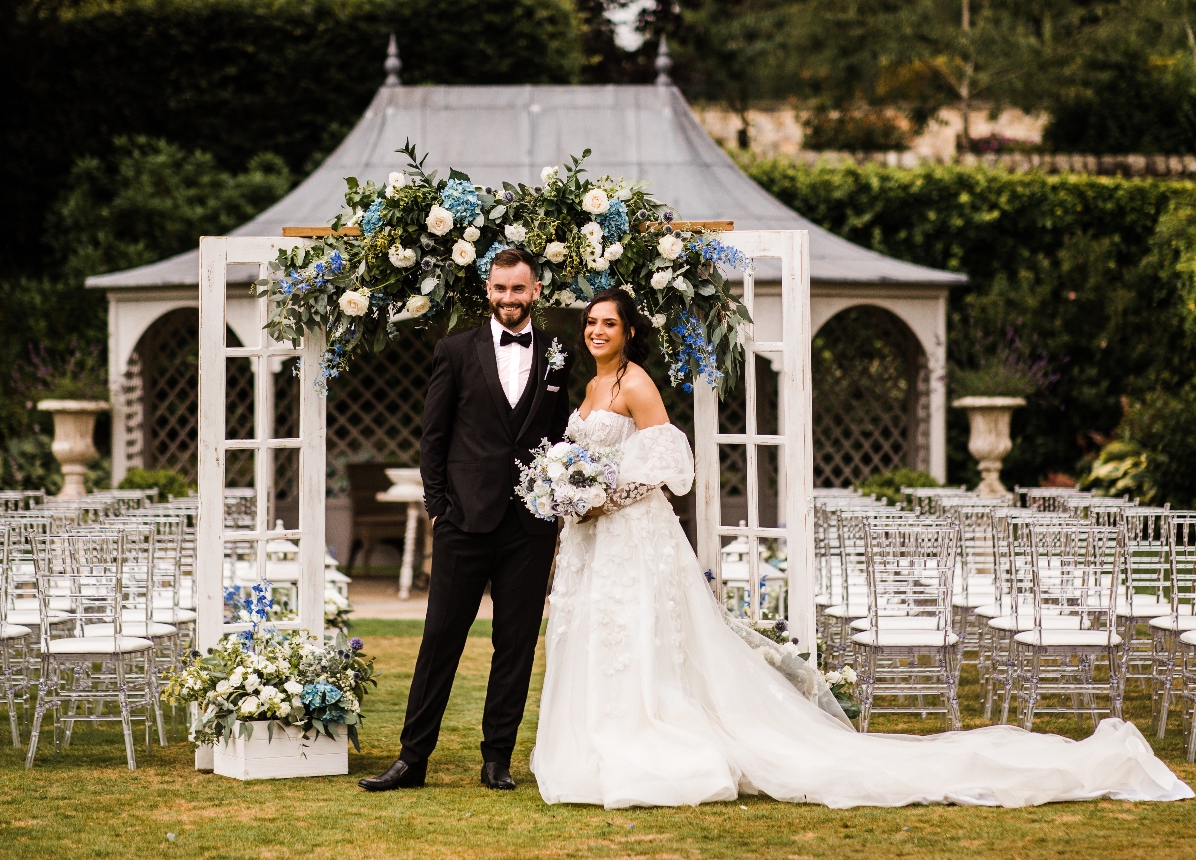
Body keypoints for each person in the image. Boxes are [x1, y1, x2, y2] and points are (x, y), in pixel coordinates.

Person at [529, 287, 1194, 809]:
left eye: (608, 324)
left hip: (633, 535)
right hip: (596, 543)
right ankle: (596, 740)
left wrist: (603, 492)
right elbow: (591, 460)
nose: (596, 331)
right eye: (591, 323)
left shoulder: (636, 384)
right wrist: (571, 490)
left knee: (640, 638)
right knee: (604, 639)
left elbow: (673, 460)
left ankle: (648, 740)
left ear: (630, 332)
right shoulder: (589, 388)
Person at [359, 248, 574, 792]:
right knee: (440, 639)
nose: (509, 298)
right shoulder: (454, 350)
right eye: (500, 289)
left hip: (529, 523)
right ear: (488, 291)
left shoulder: (558, 355)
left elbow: (564, 434)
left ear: (536, 292)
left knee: (516, 642)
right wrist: (438, 509)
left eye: (518, 289)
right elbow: (433, 437)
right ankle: (413, 758)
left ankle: (496, 758)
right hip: (463, 522)